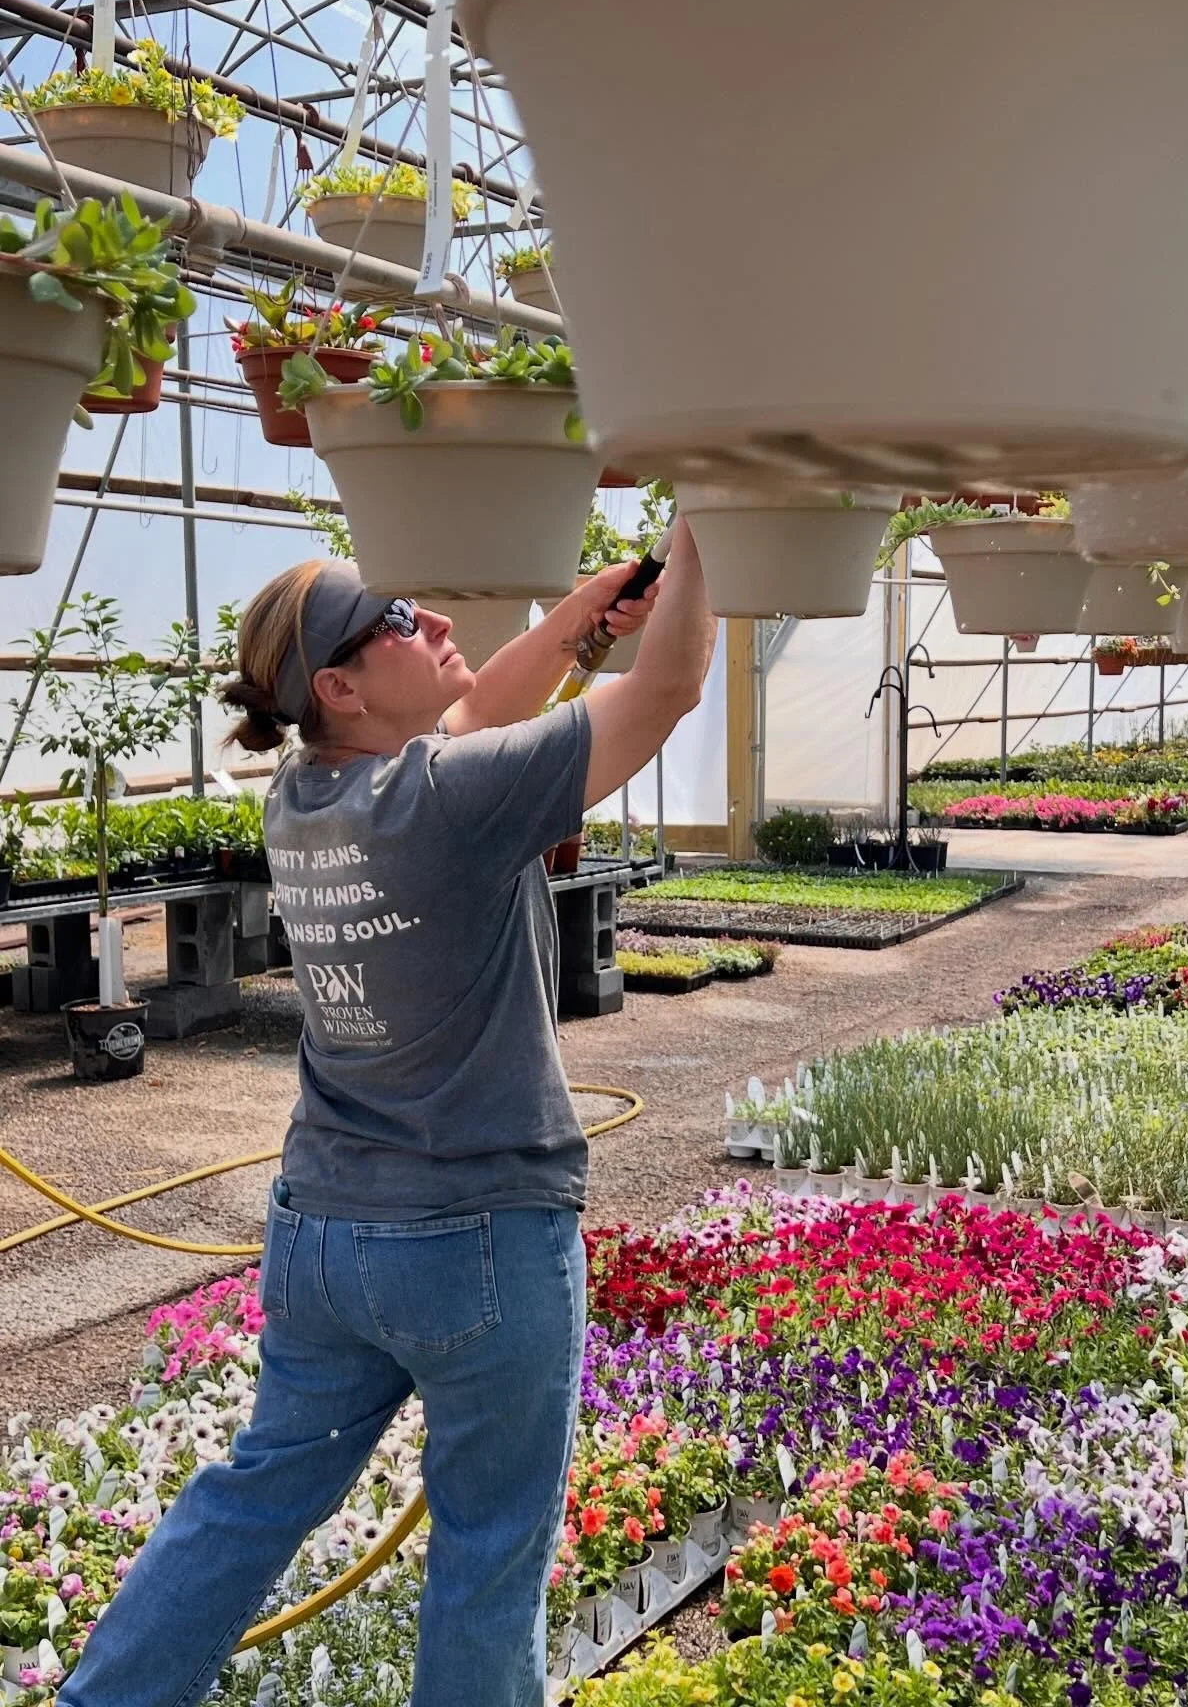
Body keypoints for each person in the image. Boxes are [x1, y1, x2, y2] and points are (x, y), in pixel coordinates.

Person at [57, 522, 715, 1707]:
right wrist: (715, 526)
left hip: (325, 1236)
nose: (443, 623)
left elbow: (464, 720)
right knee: (486, 1555)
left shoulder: (306, 797)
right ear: (340, 684)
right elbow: (665, 691)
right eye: (404, 619)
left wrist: (579, 622)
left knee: (254, 1496)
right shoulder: (450, 803)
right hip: (478, 1235)